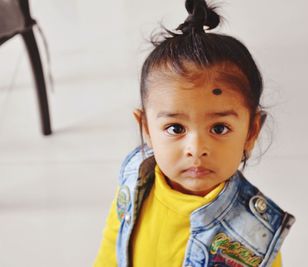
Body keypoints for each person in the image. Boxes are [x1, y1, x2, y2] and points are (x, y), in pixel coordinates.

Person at [94, 0, 295, 266]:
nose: (196, 148)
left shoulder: (252, 238)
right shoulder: (134, 181)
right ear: (147, 129)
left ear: (251, 132)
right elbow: (112, 246)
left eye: (219, 128)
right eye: (175, 128)